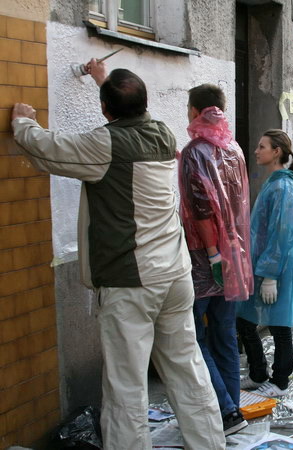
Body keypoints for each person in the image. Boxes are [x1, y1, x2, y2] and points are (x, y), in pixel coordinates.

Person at [11, 61, 225, 449]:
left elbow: (48, 150)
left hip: (132, 281)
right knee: (188, 371)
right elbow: (127, 115)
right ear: (143, 104)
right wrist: (103, 82)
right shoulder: (162, 133)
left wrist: (23, 122)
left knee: (125, 386)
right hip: (175, 276)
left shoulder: (104, 145)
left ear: (107, 109)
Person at [178, 84, 254, 435]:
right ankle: (233, 408)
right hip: (234, 256)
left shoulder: (197, 151)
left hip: (204, 258)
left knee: (193, 337)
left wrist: (212, 256)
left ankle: (225, 411)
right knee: (224, 334)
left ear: (196, 111)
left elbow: (202, 208)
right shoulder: (233, 149)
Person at [236, 129, 293, 397]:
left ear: (276, 152)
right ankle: (258, 373)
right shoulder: (275, 182)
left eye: (262, 146)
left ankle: (280, 381)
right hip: (264, 264)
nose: (256, 151)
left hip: (277, 267)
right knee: (244, 319)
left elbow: (283, 233)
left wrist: (270, 275)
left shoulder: (282, 187)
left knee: (280, 325)